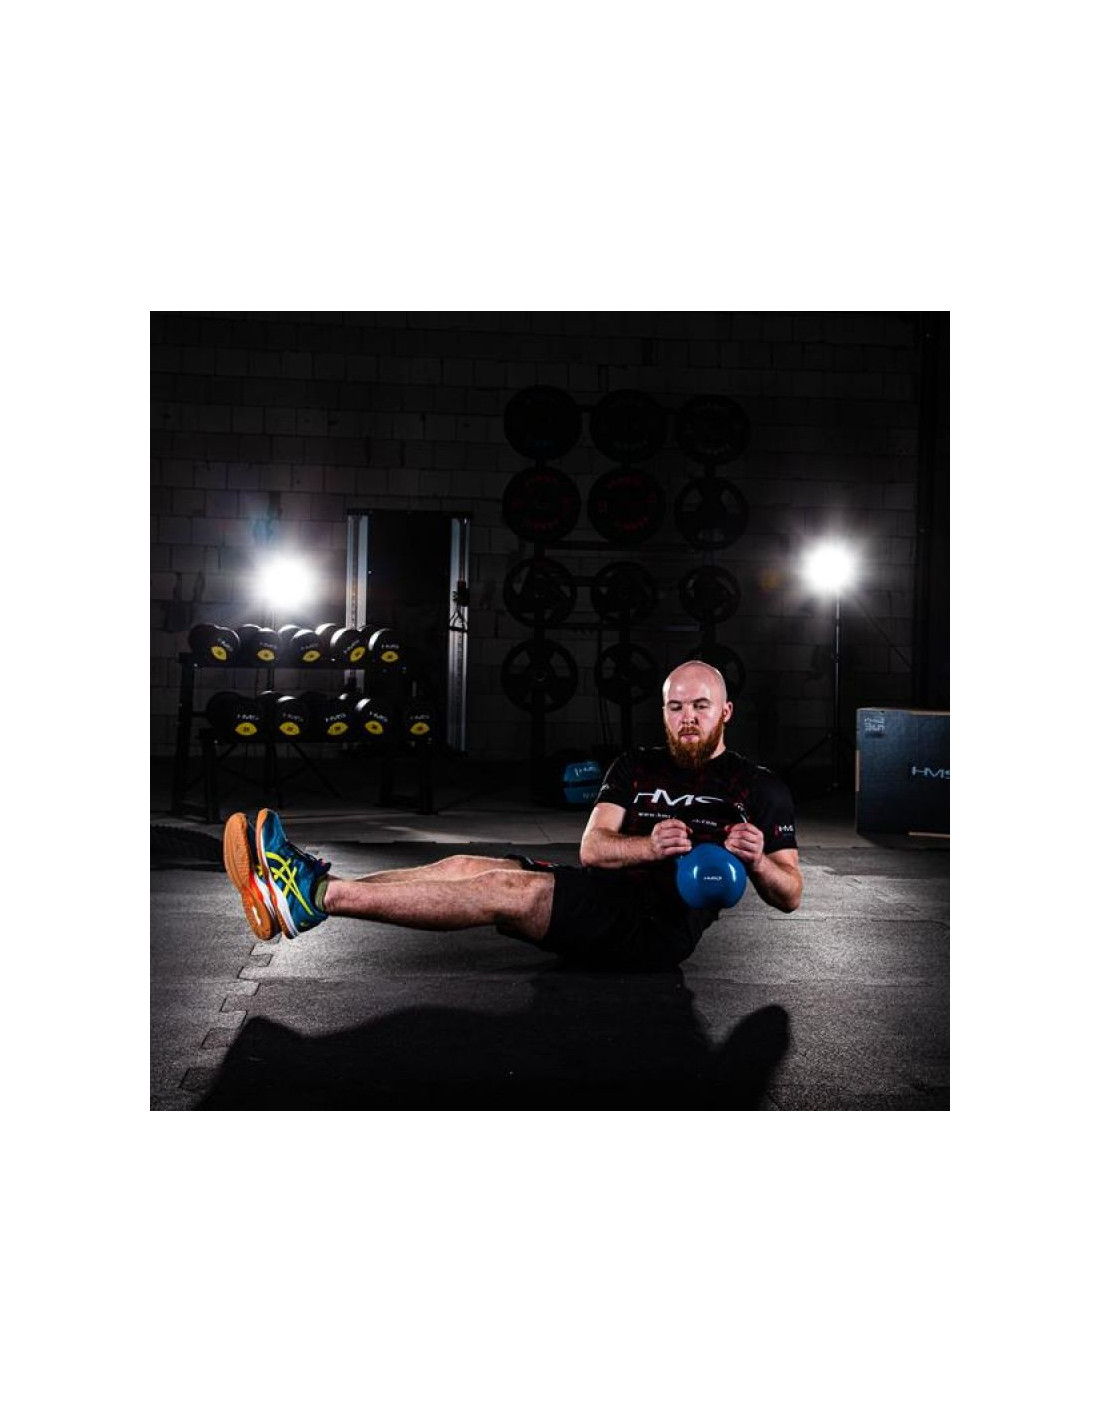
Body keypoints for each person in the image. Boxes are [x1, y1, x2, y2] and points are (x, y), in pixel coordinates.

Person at [223, 660, 802, 970]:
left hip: (653, 929)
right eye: (676, 706)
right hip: (600, 892)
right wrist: (648, 846)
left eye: (700, 706)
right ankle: (304, 892)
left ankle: (314, 896)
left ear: (726, 711)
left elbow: (790, 892)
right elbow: (593, 848)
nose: (687, 718)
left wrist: (756, 863)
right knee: (464, 865)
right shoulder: (636, 765)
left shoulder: (757, 787)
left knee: (506, 890)